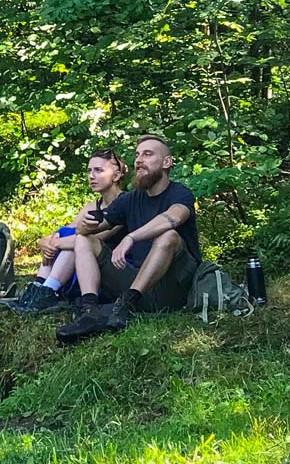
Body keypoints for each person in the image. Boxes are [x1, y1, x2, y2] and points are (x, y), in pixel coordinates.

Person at [57, 134, 200, 343]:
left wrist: (131, 237)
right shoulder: (131, 198)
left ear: (167, 162)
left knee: (168, 236)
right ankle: (89, 309)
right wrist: (84, 227)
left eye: (148, 154)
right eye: (137, 155)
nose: (139, 160)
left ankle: (126, 303)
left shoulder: (180, 193)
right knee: (85, 240)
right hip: (136, 285)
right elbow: (97, 226)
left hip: (174, 287)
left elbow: (173, 218)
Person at [11, 149, 125, 315]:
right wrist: (45, 242)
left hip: (106, 270)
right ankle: (39, 288)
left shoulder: (124, 203)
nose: (91, 176)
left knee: (76, 239)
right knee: (65, 233)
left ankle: (49, 290)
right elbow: (62, 233)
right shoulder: (92, 206)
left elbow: (97, 239)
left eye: (98, 170)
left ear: (116, 176)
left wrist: (56, 243)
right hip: (83, 266)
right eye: (89, 171)